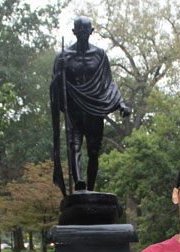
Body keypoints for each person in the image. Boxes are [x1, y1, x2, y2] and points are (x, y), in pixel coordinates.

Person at [50, 16, 130, 193]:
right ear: (74, 32)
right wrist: (58, 73)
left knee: (94, 152)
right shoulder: (64, 56)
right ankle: (79, 183)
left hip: (94, 109)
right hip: (74, 109)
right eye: (80, 31)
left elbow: (109, 82)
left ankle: (91, 189)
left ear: (91, 32)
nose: (83, 35)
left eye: (86, 31)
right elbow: (55, 86)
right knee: (74, 145)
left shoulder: (99, 55)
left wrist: (121, 104)